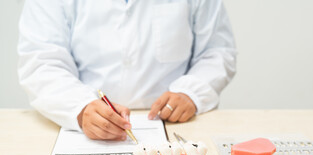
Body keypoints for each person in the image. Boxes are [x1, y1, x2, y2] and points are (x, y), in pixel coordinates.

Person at [18, 0, 236, 141]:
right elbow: (41, 60)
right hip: (82, 133)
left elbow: (218, 51)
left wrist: (191, 92)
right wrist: (80, 107)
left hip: (179, 127)